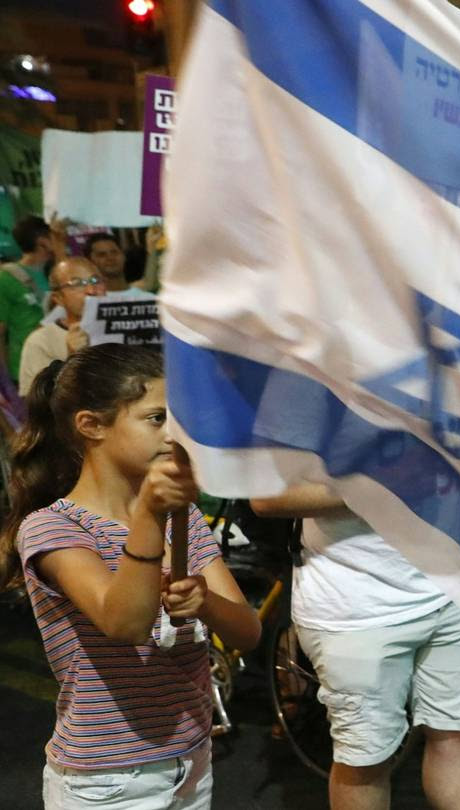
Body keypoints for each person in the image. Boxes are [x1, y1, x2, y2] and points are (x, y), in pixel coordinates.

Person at [0, 344, 260, 810]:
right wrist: (149, 515)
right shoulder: (54, 528)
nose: (173, 433)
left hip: (190, 756)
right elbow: (123, 622)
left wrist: (206, 602)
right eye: (156, 418)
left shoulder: (186, 518)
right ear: (91, 425)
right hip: (108, 777)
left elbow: (249, 631)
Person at [252, 487, 460, 810]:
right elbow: (268, 496)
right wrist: (394, 475)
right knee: (365, 761)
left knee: (459, 737)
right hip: (357, 606)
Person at [18, 258, 105, 395]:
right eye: (77, 283)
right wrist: (72, 358)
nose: (91, 290)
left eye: (95, 280)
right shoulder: (40, 341)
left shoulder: (124, 327)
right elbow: (38, 405)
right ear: (58, 298)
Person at [1, 216, 62, 382]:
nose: (59, 242)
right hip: (25, 370)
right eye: (54, 237)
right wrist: (4, 382)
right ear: (43, 242)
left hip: (59, 363)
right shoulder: (6, 278)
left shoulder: (56, 273)